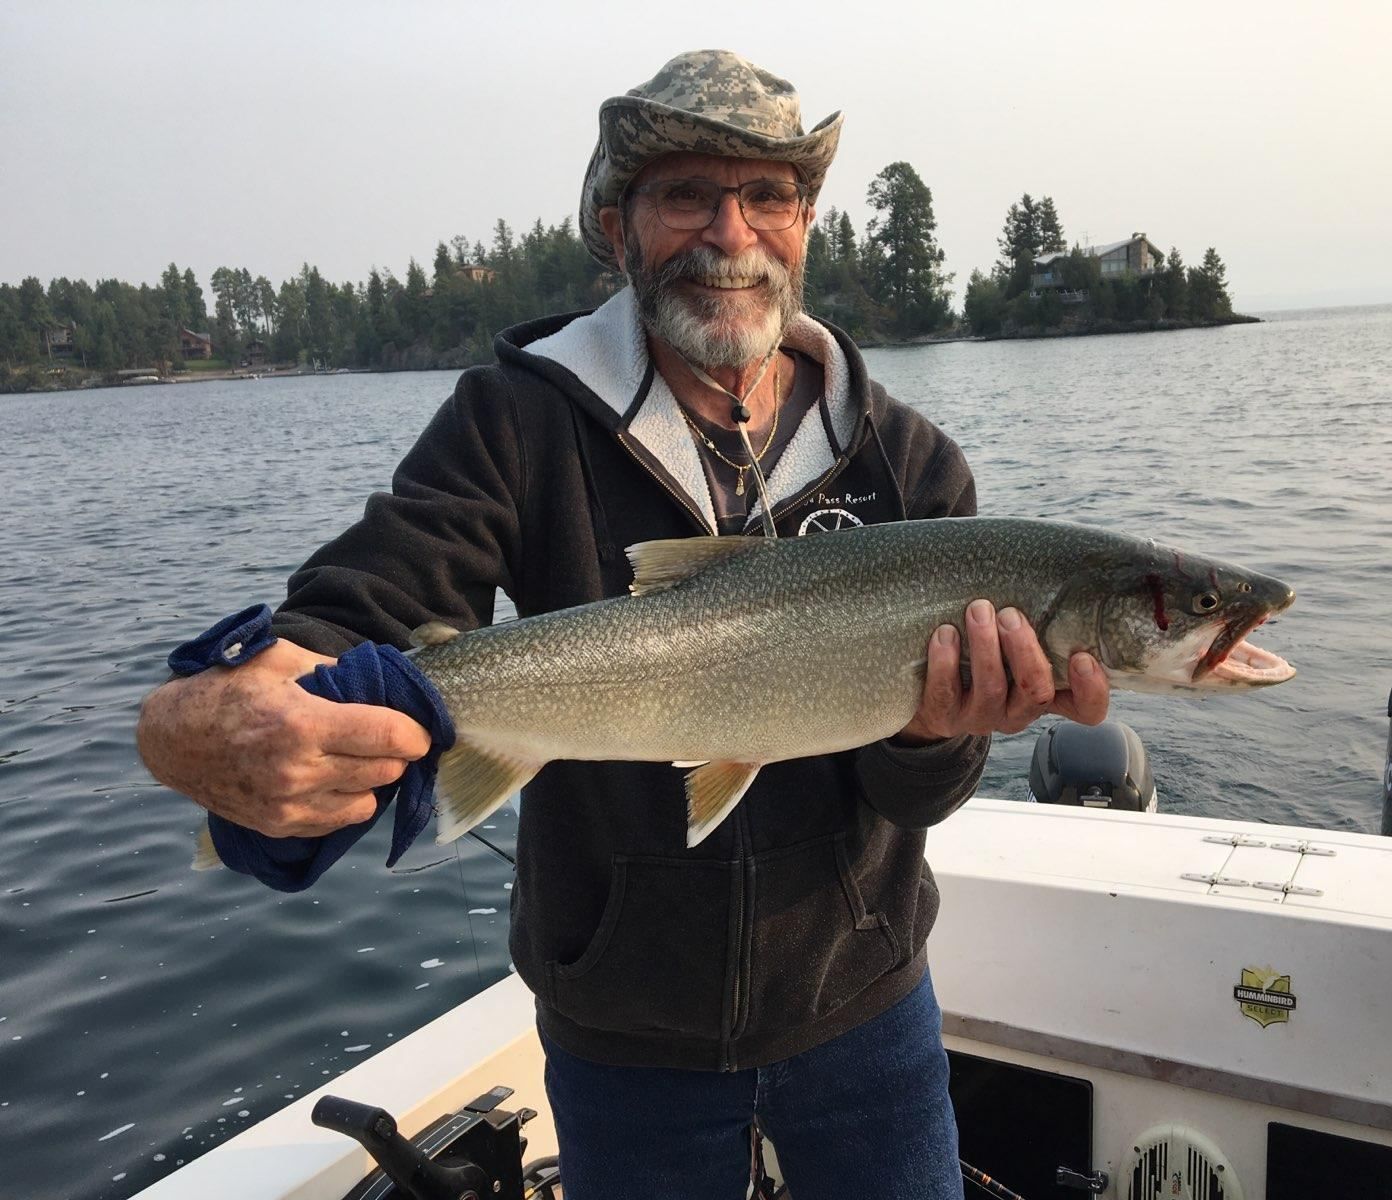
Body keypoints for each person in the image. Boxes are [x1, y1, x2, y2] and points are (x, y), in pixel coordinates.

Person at [137, 49, 1109, 1199]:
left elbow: (917, 799)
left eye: (767, 196)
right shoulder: (517, 420)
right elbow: (365, 602)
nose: (730, 232)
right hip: (618, 1027)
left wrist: (937, 731)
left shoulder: (909, 462)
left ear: (804, 223)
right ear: (617, 225)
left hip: (863, 998)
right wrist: (202, 722)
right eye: (686, 195)